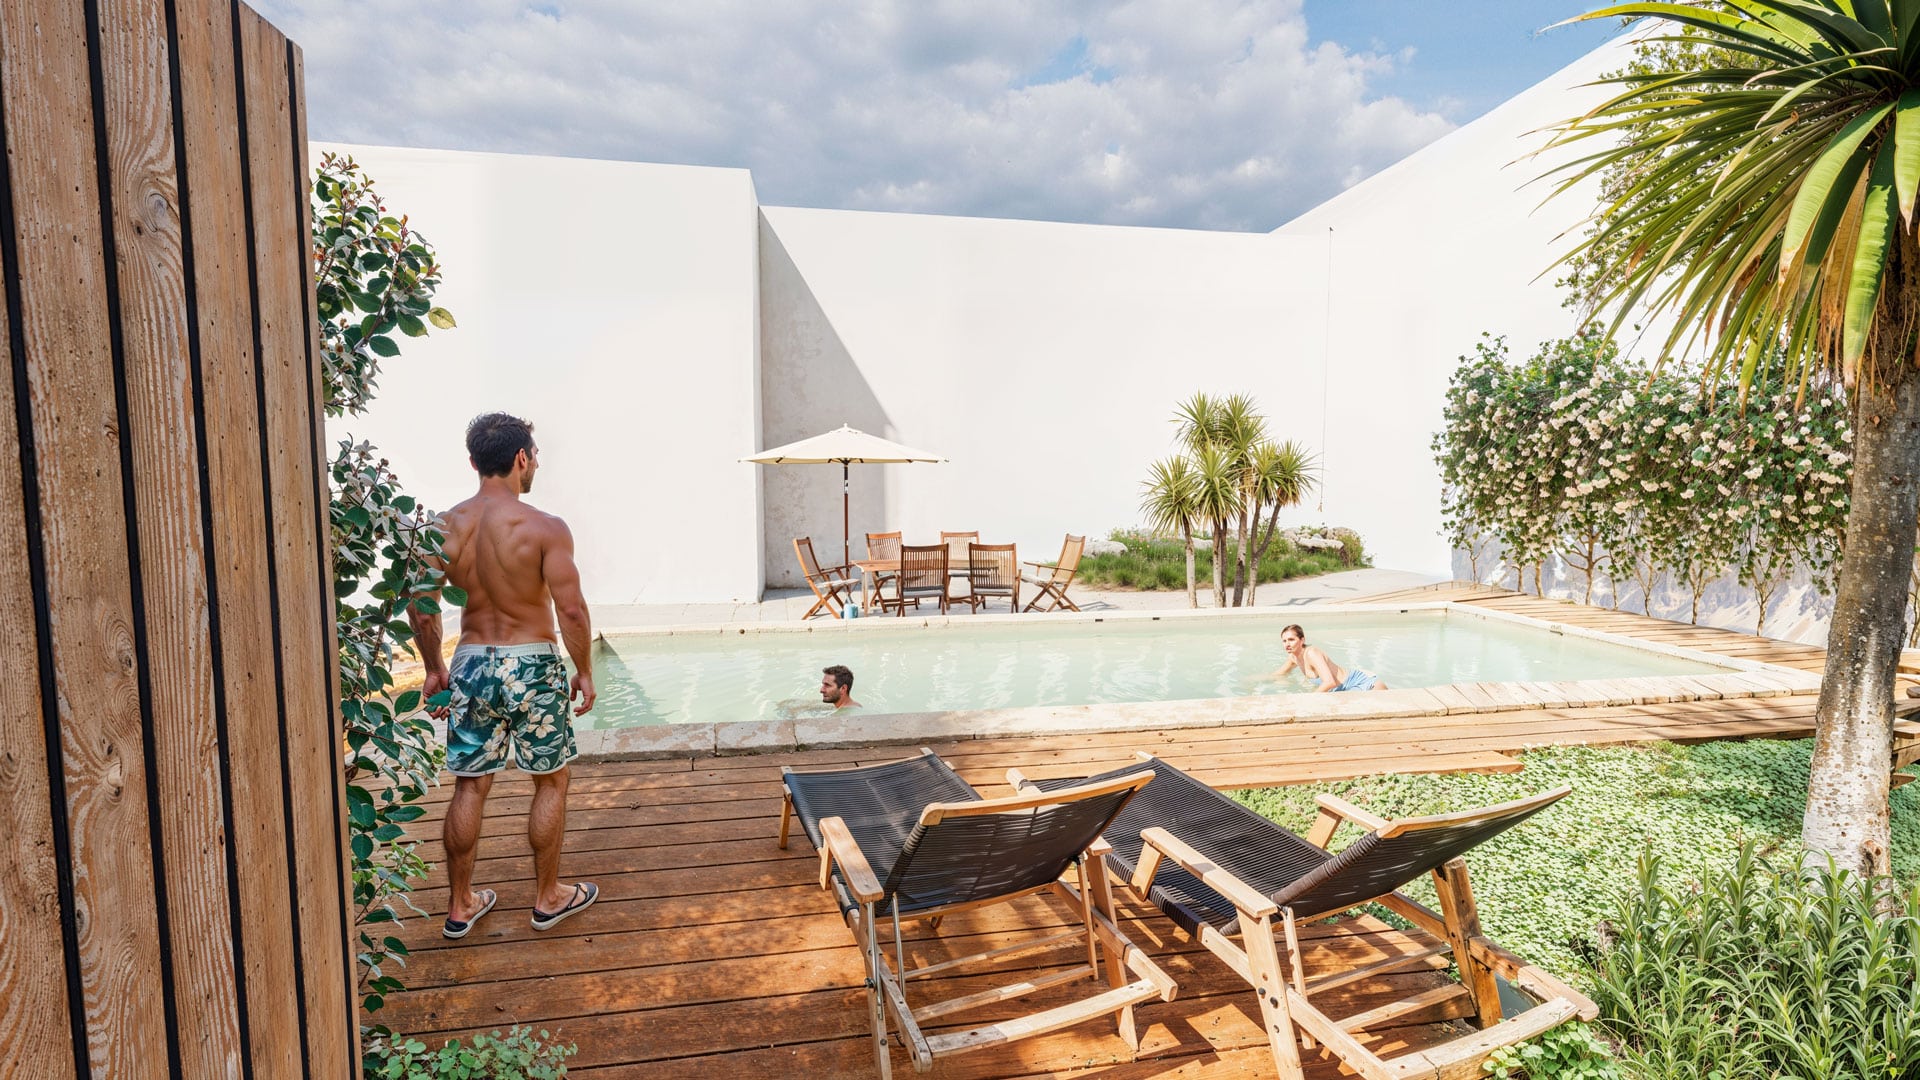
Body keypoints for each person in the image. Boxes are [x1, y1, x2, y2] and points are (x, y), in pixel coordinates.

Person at [411, 412, 600, 940]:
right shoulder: (545, 528)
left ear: (474, 462)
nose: (536, 462)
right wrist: (583, 670)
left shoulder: (443, 528)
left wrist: (434, 669)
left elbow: (422, 609)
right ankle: (547, 897)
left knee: (471, 785)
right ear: (522, 459)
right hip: (533, 663)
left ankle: (460, 905)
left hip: (472, 662)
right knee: (551, 779)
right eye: (535, 454)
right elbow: (573, 612)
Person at [1274, 623, 1388, 692]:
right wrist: (1257, 681)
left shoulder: (1311, 653)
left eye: (1291, 640)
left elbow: (1330, 682)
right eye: (1284, 641)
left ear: (1302, 640)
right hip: (1345, 690)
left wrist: (1308, 699)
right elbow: (1278, 675)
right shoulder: (1294, 658)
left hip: (1362, 684)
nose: (1287, 644)